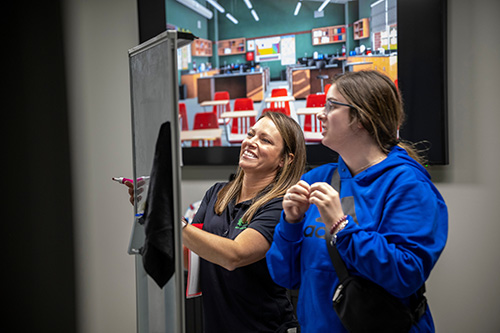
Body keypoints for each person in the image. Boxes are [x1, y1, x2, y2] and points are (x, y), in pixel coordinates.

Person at [266, 70, 448, 332]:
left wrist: (341, 226)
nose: (320, 114)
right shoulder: (318, 178)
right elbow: (287, 276)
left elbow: (406, 275)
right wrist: (291, 222)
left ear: (361, 117)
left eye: (331, 106)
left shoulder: (408, 185)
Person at [126, 111, 307, 332]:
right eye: (251, 134)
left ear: (284, 160)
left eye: (265, 140)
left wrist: (172, 219)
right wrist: (151, 209)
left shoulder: (280, 205)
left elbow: (234, 255)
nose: (251, 142)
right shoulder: (218, 194)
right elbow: (191, 260)